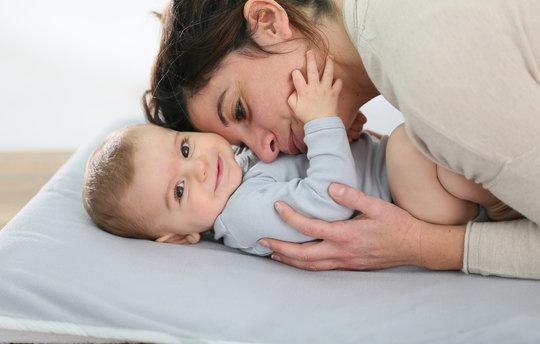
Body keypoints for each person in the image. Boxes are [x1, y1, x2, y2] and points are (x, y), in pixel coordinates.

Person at [143, 0, 540, 278]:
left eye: (240, 110)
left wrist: (421, 245)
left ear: (268, 21)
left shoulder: (433, 85)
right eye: (240, 146)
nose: (265, 154)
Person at [85, 54, 517, 254]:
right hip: (409, 200)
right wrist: (322, 121)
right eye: (178, 190)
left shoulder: (242, 168)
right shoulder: (241, 215)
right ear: (179, 237)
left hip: (409, 183)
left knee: (430, 135)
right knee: (413, 143)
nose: (198, 168)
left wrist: (341, 137)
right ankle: (503, 206)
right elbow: (329, 200)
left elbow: (313, 167)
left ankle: (507, 183)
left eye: (184, 148)